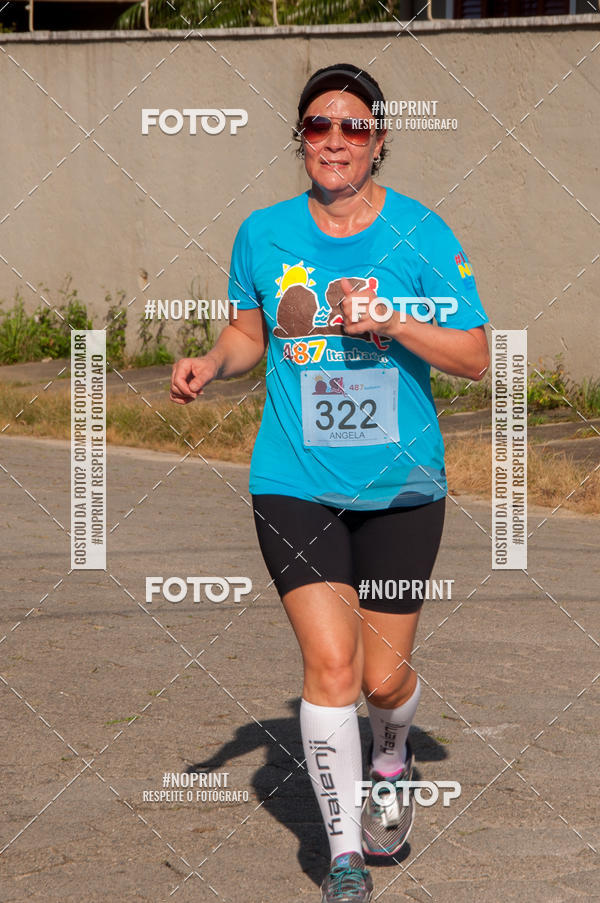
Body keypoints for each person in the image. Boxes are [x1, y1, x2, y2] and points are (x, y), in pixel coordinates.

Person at [171, 63, 490, 903]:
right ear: (301, 139)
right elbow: (249, 332)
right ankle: (342, 851)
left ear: (379, 140)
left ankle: (392, 753)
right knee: (331, 665)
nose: (335, 141)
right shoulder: (263, 233)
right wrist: (214, 361)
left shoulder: (421, 234)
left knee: (384, 680)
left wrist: (393, 318)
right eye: (319, 126)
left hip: (400, 487)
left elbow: (477, 357)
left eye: (353, 128)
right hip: (293, 480)